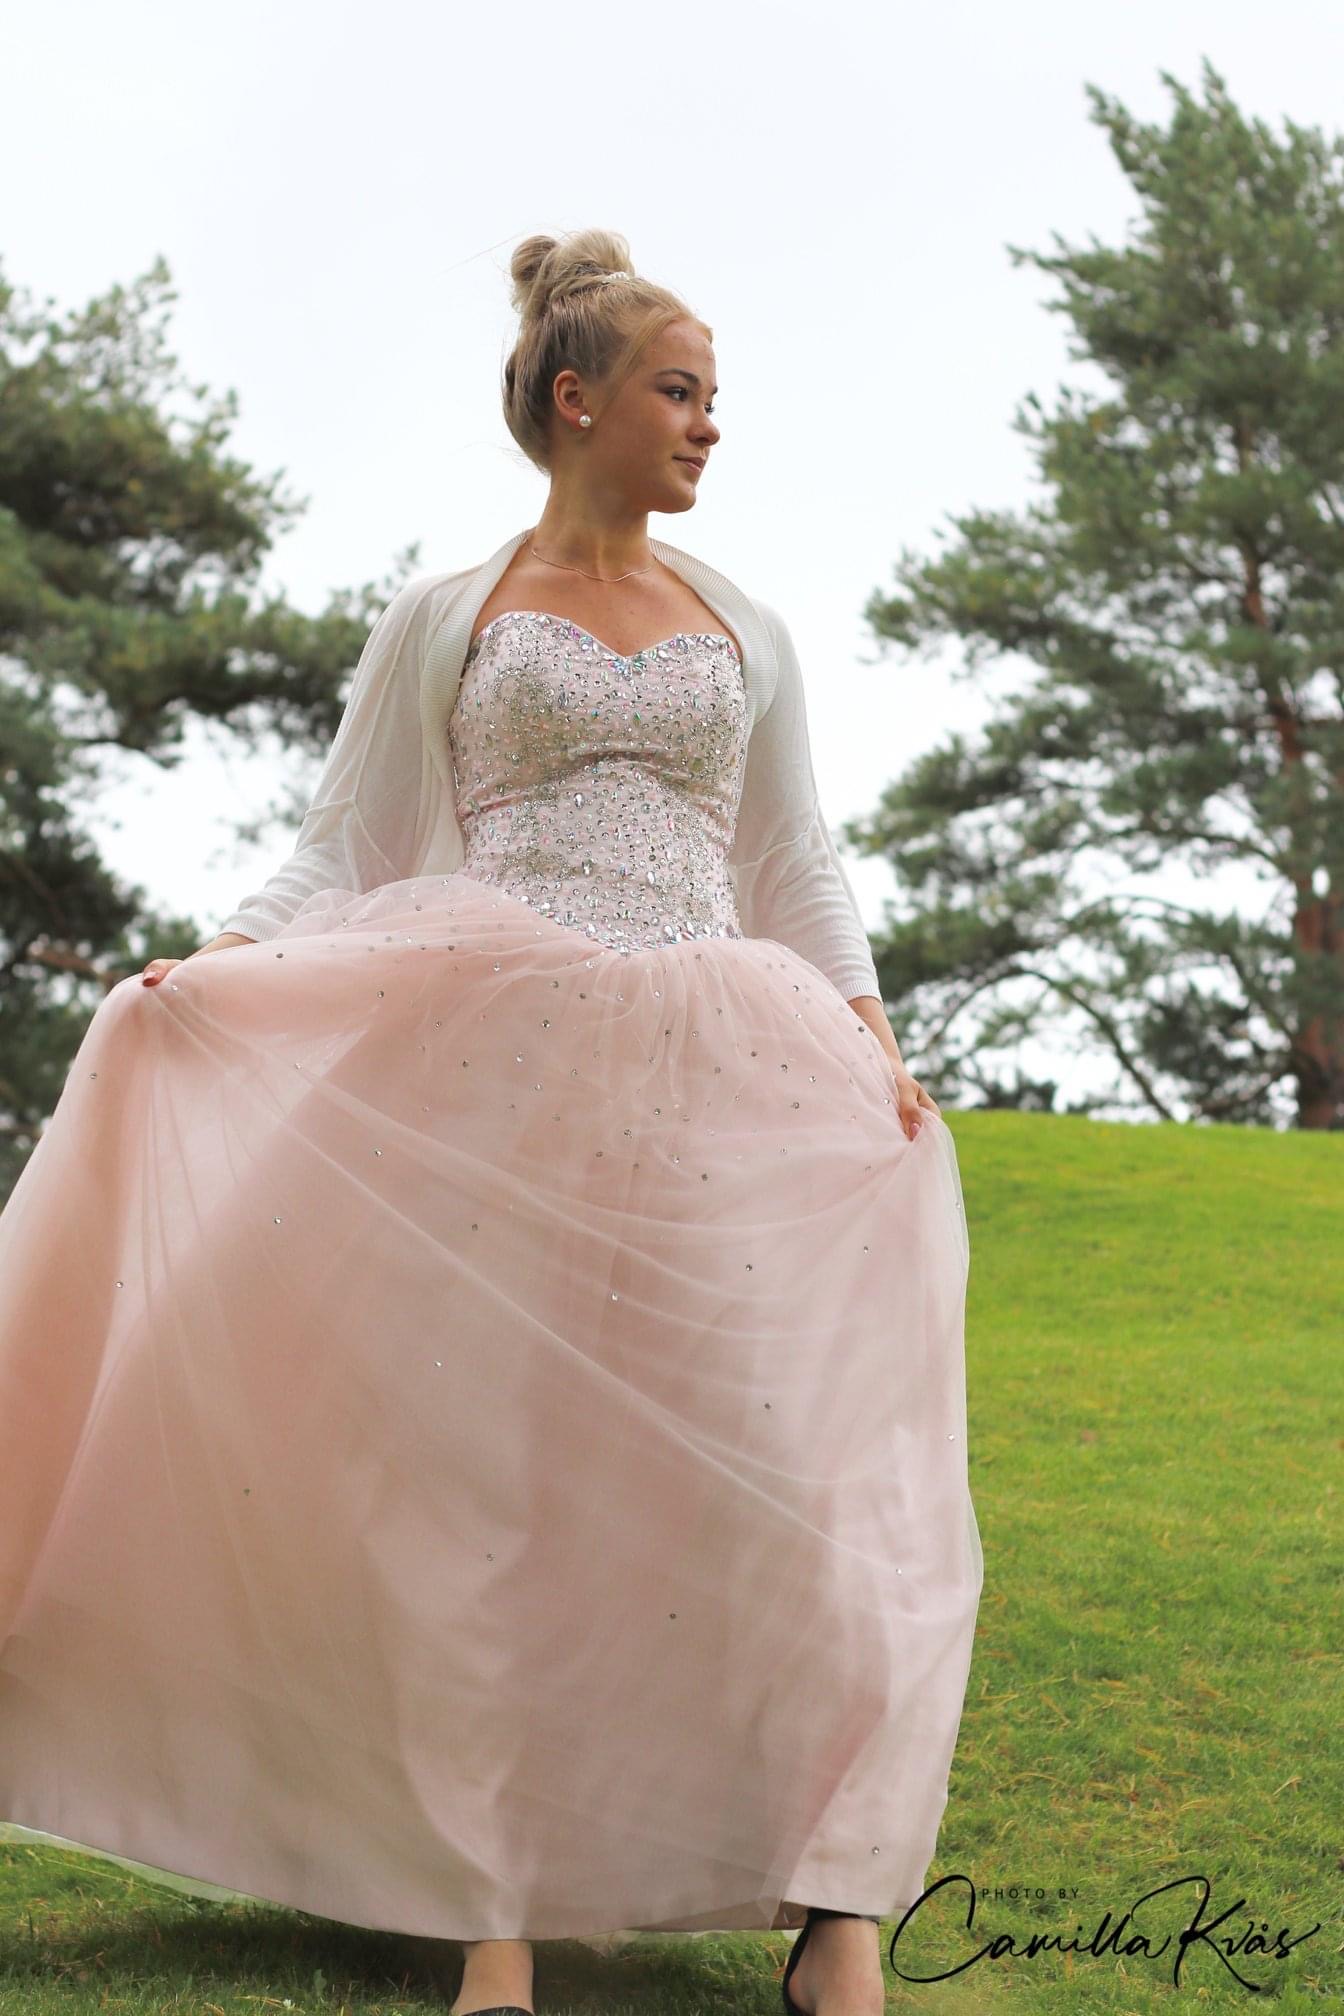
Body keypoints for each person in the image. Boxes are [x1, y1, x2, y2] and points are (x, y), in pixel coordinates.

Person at [0, 228, 983, 2016]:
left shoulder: (747, 628)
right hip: (489, 1072)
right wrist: (209, 970)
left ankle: (837, 1906)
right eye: (681, 391)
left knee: (798, 1486)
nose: (709, 424)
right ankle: (494, 1920)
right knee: (478, 1508)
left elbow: (797, 859)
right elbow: (349, 844)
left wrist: (874, 1036)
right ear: (575, 400)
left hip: (724, 1066)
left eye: (716, 396)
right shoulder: (446, 615)